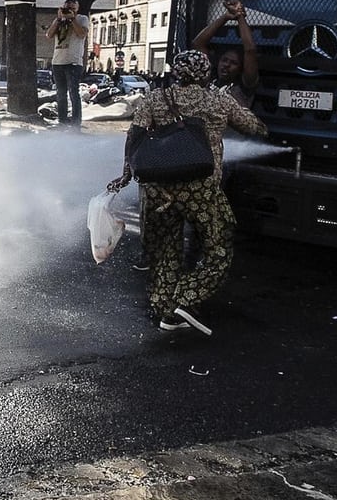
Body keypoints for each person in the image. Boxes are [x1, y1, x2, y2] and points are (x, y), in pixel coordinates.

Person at [108, 49, 268, 336]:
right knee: (219, 248)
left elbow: (134, 137)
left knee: (164, 252)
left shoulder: (154, 98)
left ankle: (165, 311)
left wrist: (127, 173)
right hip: (201, 188)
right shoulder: (218, 99)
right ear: (205, 73)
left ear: (175, 71)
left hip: (157, 188)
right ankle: (185, 299)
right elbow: (254, 127)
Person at [190, 0, 260, 108]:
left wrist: (240, 15)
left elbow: (250, 50)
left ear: (241, 68)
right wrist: (225, 17)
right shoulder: (210, 80)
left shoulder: (244, 86)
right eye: (224, 60)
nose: (226, 65)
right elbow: (197, 44)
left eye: (234, 63)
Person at [47, 0, 89, 126]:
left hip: (73, 62)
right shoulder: (59, 20)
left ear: (77, 9)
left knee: (73, 92)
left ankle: (76, 122)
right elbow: (49, 35)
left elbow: (82, 34)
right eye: (67, 8)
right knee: (60, 93)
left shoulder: (82, 19)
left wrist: (72, 19)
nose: (69, 10)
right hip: (58, 61)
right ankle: (62, 120)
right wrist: (59, 19)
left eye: (72, 8)